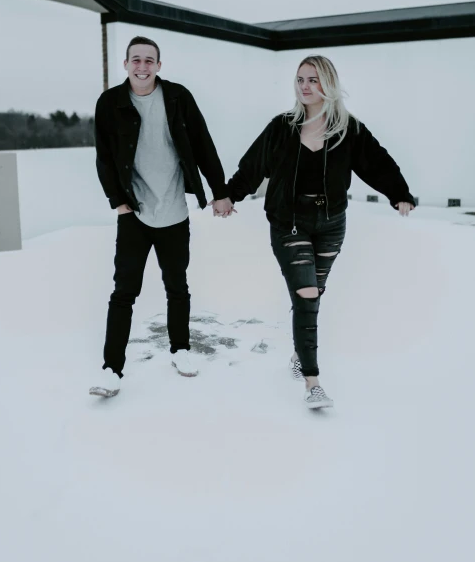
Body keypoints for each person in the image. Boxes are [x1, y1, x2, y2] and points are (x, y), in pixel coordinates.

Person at [219, 55, 416, 409]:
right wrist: (230, 195)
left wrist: (399, 193)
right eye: (300, 80)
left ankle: (299, 354)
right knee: (307, 292)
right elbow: (253, 166)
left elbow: (378, 162)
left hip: (330, 225)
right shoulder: (282, 127)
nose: (305, 86)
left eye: (312, 79)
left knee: (312, 294)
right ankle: (312, 382)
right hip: (288, 222)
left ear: (328, 84)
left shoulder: (347, 129)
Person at [90, 36, 233, 397]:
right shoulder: (110, 103)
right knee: (124, 291)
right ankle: (112, 369)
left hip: (173, 211)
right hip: (134, 212)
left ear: (159, 65)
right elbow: (104, 156)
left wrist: (219, 191)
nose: (142, 66)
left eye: (149, 60)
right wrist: (116, 200)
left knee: (176, 286)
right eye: (136, 60)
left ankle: (180, 350)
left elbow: (203, 144)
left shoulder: (177, 97)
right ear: (125, 65)